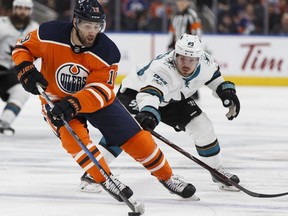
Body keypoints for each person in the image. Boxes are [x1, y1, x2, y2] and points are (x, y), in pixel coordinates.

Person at [12, 0, 197, 205]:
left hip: (97, 101)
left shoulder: (107, 50)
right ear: (75, 22)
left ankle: (167, 177)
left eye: (97, 26)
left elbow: (100, 90)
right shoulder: (50, 33)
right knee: (75, 141)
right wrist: (26, 69)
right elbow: (22, 47)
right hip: (56, 100)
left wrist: (74, 103)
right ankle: (105, 178)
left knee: (137, 138)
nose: (93, 32)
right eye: (87, 26)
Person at [80, 33, 241, 193]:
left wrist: (226, 92)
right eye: (182, 58)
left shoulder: (206, 61)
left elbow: (214, 78)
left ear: (199, 59)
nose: (186, 64)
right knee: (126, 131)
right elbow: (150, 94)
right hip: (135, 92)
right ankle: (93, 174)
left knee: (202, 126)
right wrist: (149, 112)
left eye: (191, 60)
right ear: (175, 55)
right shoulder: (163, 68)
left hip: (170, 97)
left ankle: (217, 171)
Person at [0, 0, 38, 135]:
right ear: (14, 9)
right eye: (20, 8)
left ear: (31, 11)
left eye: (26, 9)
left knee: (20, 92)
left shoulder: (34, 29)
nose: (23, 11)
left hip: (11, 72)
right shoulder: (2, 24)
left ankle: (4, 123)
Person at [168, 0, 202, 100]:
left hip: (190, 48)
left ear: (188, 3)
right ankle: (181, 91)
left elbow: (197, 31)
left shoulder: (192, 15)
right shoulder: (175, 15)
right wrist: (170, 44)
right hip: (178, 48)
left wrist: (195, 45)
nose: (181, 4)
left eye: (184, 2)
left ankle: (193, 92)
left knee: (189, 68)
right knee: (178, 69)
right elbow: (172, 32)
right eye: (179, 1)